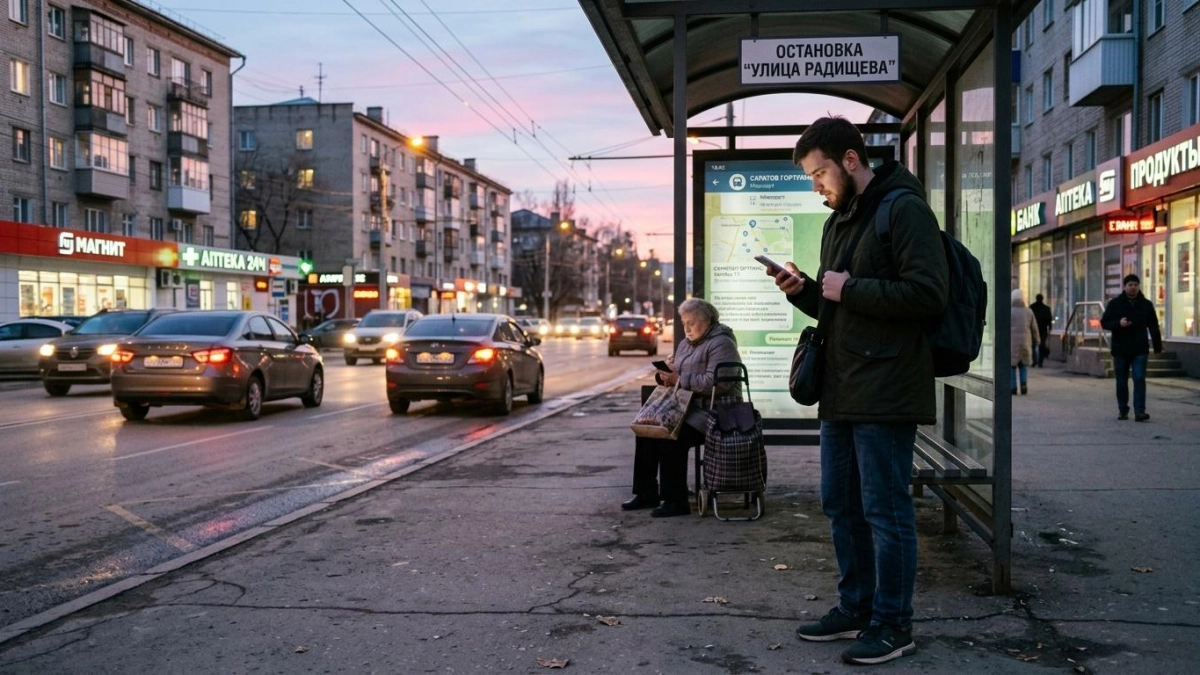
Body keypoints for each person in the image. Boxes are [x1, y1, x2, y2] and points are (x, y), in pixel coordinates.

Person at [766, 116, 948, 666]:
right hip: (842, 387)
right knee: (840, 504)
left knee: (884, 510)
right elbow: (838, 306)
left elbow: (928, 294)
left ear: (850, 160)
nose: (815, 185)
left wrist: (851, 287)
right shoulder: (838, 222)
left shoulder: (903, 208)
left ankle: (894, 623)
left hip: (887, 388)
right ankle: (856, 608)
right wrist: (805, 292)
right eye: (809, 177)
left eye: (819, 172)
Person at [623, 297, 742, 518]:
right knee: (646, 430)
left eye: (692, 323)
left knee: (671, 438)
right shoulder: (687, 343)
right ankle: (646, 492)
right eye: (683, 323)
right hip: (687, 408)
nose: (686, 328)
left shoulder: (721, 343)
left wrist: (679, 378)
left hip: (715, 412)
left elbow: (720, 383)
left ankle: (675, 500)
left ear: (707, 322)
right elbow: (678, 370)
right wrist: (666, 373)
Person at [1100, 274, 1163, 421]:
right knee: (1121, 380)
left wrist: (1157, 346)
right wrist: (1118, 324)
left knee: (1139, 378)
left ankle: (1140, 411)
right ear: (1124, 286)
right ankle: (1123, 409)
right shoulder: (1115, 304)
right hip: (1120, 349)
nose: (1133, 287)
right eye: (1130, 285)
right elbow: (1105, 322)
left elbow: (1153, 325)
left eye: (1135, 284)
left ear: (1138, 286)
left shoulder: (1146, 304)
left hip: (1139, 348)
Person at [1010, 289, 1039, 395]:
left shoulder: (1009, 311)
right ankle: (1023, 384)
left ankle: (1013, 387)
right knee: (1024, 364)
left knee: (1012, 365)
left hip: (1012, 343)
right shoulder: (1029, 311)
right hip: (1026, 341)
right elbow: (1034, 328)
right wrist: (1037, 340)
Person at [1029, 293, 1053, 367]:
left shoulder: (1032, 307)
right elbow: (1049, 319)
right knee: (1041, 345)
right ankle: (1040, 362)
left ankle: (1034, 361)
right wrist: (1050, 328)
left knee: (1033, 345)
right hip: (1043, 329)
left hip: (1033, 329)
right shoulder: (1046, 308)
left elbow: (1029, 319)